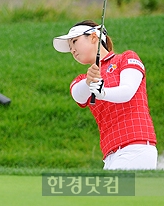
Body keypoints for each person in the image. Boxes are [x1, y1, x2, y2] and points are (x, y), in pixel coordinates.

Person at [52, 20, 157, 170]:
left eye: (75, 41)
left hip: (136, 146)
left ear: (94, 37)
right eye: (70, 47)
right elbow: (78, 95)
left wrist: (103, 93)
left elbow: (127, 91)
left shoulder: (126, 58)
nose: (72, 50)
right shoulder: (82, 80)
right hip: (110, 155)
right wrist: (89, 81)